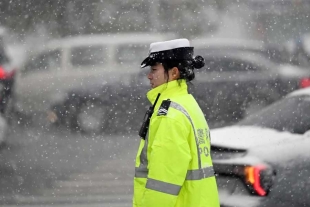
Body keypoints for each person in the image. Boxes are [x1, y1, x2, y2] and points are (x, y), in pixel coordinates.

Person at [133, 38, 220, 207]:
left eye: (154, 69)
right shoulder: (188, 103)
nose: (149, 75)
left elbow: (162, 183)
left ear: (173, 73)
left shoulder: (169, 115)